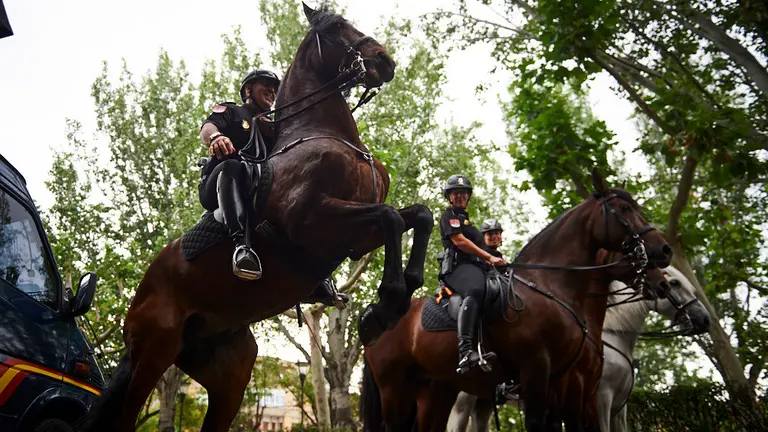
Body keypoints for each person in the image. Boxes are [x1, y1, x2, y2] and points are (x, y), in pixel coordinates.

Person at [199, 69, 280, 280]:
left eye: (274, 88)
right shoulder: (232, 111)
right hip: (221, 182)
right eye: (265, 84)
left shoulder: (275, 125)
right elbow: (208, 128)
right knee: (233, 166)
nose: (272, 90)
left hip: (260, 185)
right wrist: (216, 137)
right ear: (248, 89)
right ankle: (241, 247)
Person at [438, 175, 507, 374]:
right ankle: (465, 350)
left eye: (464, 193)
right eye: (456, 193)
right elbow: (460, 242)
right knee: (476, 289)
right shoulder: (449, 215)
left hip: (477, 268)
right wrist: (489, 257)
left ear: (468, 196)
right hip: (458, 268)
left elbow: (486, 252)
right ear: (450, 197)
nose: (460, 196)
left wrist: (500, 261)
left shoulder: (468, 222)